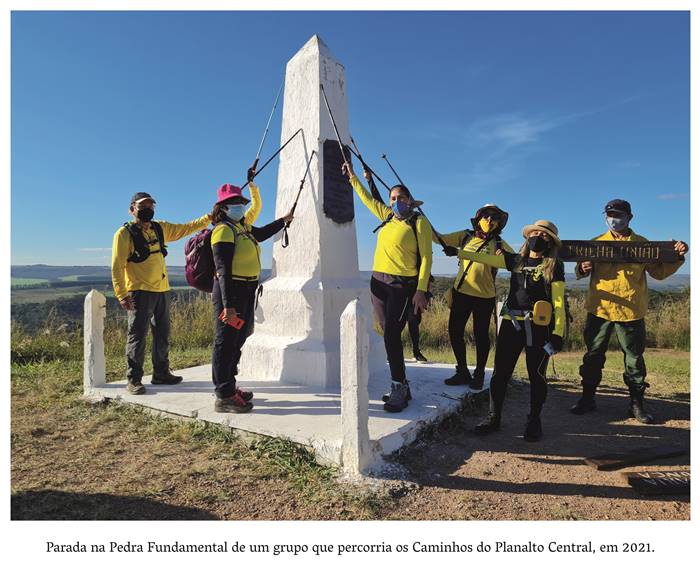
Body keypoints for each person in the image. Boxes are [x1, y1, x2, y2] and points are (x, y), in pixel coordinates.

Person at [570, 199, 688, 423]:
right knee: (593, 356)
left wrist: (678, 256)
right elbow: (581, 269)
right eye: (610, 214)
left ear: (629, 218)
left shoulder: (644, 245)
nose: (613, 218)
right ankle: (587, 399)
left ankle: (636, 405)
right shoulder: (594, 243)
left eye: (618, 214)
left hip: (631, 310)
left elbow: (659, 273)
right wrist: (582, 268)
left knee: (634, 359)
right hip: (599, 309)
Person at [456, 220, 566, 441]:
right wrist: (460, 253)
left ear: (551, 241)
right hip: (510, 323)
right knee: (500, 374)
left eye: (544, 235)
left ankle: (534, 421)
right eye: (535, 233)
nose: (538, 237)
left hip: (539, 327)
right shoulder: (516, 261)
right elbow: (482, 257)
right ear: (527, 237)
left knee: (537, 376)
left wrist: (558, 333)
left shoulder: (554, 266)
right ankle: (493, 418)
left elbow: (559, 303)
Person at [343, 160, 432, 413]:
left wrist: (421, 289)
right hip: (378, 283)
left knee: (393, 333)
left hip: (403, 286)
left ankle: (398, 387)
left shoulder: (418, 223)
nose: (395, 201)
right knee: (385, 330)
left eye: (400, 197)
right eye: (392, 198)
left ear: (409, 199)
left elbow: (427, 257)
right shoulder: (387, 217)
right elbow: (367, 200)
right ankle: (401, 383)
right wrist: (352, 177)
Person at [112, 192, 212, 395]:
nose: (147, 209)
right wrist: (121, 294)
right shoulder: (124, 234)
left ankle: (161, 373)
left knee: (162, 334)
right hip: (139, 292)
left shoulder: (160, 228)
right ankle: (134, 379)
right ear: (132, 209)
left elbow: (186, 228)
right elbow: (117, 266)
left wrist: (208, 218)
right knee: (137, 336)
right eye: (142, 206)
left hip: (162, 290)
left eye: (150, 205)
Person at [211, 171, 293, 414]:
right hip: (232, 291)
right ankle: (223, 395)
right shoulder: (224, 231)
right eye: (234, 203)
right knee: (225, 342)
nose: (239, 206)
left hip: (247, 289)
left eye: (241, 203)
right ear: (223, 208)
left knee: (237, 340)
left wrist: (283, 221)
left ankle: (230, 386)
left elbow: (263, 233)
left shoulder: (243, 228)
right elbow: (223, 270)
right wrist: (228, 305)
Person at [436, 204, 513, 389]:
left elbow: (517, 260)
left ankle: (479, 374)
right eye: (486, 216)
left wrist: (505, 256)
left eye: (494, 218)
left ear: (498, 223)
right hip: (461, 293)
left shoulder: (500, 244)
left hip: (485, 297)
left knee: (481, 336)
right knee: (455, 332)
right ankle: (462, 371)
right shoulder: (465, 236)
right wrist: (420, 222)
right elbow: (440, 238)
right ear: (478, 218)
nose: (489, 220)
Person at [406, 275, 434, 363]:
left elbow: (428, 278)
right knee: (397, 324)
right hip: (402, 290)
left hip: (417, 294)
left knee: (414, 323)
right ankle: (391, 352)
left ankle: (416, 352)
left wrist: (426, 295)